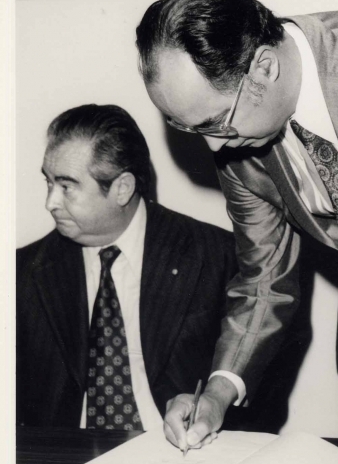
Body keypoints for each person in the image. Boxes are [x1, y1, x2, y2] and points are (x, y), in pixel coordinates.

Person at [136, 0, 338, 464]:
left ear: (264, 67)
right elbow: (264, 279)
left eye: (215, 123)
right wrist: (218, 393)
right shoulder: (239, 145)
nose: (216, 148)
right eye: (190, 128)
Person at [16, 103, 237, 430]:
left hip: (180, 447)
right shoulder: (22, 273)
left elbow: (261, 376)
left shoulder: (215, 256)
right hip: (66, 453)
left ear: (122, 188)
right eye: (49, 183)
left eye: (66, 186)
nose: (50, 202)